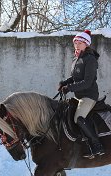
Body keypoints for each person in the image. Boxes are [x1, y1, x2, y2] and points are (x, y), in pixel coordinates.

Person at [58, 30, 105, 158]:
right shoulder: (77, 59)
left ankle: (97, 145)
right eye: (75, 43)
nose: (77, 45)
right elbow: (75, 77)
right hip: (78, 96)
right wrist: (65, 83)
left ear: (86, 44)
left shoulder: (90, 59)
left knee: (78, 118)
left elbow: (87, 82)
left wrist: (70, 88)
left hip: (89, 96)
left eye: (80, 43)